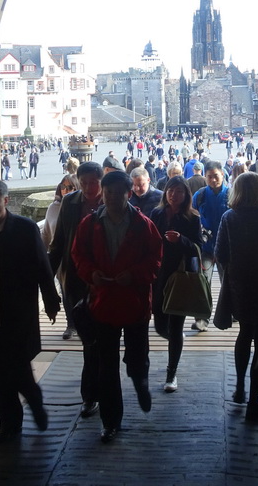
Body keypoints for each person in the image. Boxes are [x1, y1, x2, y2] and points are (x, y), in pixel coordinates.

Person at [0, 179, 61, 445]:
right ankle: (9, 425)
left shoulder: (25, 229)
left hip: (17, 316)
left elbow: (43, 266)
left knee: (19, 372)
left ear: (5, 200)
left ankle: (35, 400)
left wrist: (51, 301)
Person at [72, 169, 163, 443]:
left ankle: (140, 382)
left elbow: (155, 259)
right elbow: (79, 254)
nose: (111, 197)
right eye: (107, 192)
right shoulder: (89, 224)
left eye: (117, 192)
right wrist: (91, 273)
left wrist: (134, 275)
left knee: (136, 357)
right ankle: (111, 421)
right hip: (103, 303)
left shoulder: (143, 224)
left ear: (129, 193)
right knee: (106, 366)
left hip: (134, 303)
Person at [213, 171, 258, 422]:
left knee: (244, 335)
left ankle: (239, 388)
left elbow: (220, 254)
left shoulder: (228, 217)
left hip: (239, 288)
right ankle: (254, 401)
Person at [48, 161, 104, 413]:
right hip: (79, 279)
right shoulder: (70, 203)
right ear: (78, 181)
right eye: (85, 183)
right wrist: (47, 281)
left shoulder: (113, 199)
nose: (90, 188)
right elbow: (59, 242)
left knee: (105, 341)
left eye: (94, 182)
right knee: (89, 342)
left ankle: (103, 393)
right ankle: (90, 395)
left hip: (108, 282)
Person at [149, 175, 202, 393]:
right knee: (160, 324)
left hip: (179, 276)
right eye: (171, 190)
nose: (174, 195)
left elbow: (197, 249)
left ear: (186, 195)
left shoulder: (192, 218)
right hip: (158, 275)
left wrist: (180, 239)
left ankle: (172, 372)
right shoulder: (157, 213)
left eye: (179, 191)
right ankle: (175, 340)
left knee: (176, 323)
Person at [190, 160, 230, 332]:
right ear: (205, 177)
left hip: (226, 247)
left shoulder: (232, 193)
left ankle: (231, 312)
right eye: (209, 177)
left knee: (228, 282)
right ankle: (202, 319)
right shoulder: (199, 195)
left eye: (216, 176)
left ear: (222, 174)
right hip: (205, 246)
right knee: (203, 283)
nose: (213, 180)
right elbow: (192, 217)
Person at [41, 174, 80, 339]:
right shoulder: (53, 208)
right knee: (66, 291)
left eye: (70, 187)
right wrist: (42, 255)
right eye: (63, 186)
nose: (65, 190)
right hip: (62, 257)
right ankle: (71, 325)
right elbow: (46, 233)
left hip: (79, 257)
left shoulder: (77, 206)